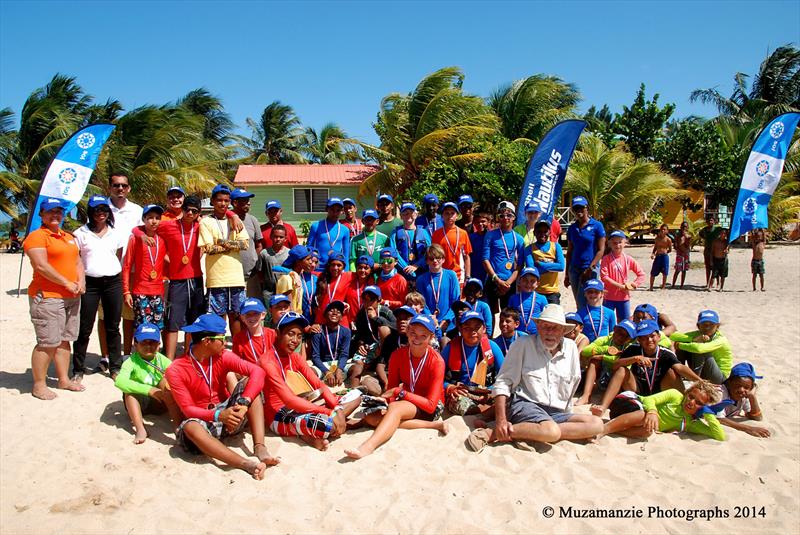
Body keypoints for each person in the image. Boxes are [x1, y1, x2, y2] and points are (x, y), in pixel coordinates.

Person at [467, 304, 603, 452]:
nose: (549, 332)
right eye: (545, 326)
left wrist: (568, 416)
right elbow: (503, 382)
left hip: (557, 412)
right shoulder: (523, 344)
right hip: (525, 405)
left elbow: (573, 382)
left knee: (597, 424)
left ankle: (533, 432)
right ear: (538, 327)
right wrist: (501, 421)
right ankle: (493, 434)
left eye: (555, 327)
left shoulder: (570, 348)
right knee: (552, 431)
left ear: (563, 331)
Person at [167, 314, 279, 479]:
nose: (226, 342)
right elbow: (188, 409)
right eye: (221, 338)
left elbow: (258, 372)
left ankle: (259, 446)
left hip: (230, 417)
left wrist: (243, 403)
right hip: (204, 421)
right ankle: (245, 463)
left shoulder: (223, 356)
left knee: (251, 387)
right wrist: (219, 415)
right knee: (190, 427)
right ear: (207, 341)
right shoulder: (176, 369)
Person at [345, 314, 449, 459]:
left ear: (431, 338)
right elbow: (391, 390)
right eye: (413, 333)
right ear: (407, 332)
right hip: (407, 399)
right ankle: (433, 425)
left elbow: (431, 405)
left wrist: (400, 394)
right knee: (372, 418)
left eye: (423, 336)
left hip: (430, 404)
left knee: (395, 409)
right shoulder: (397, 355)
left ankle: (368, 446)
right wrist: (384, 401)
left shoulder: (437, 361)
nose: (416, 339)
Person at [260, 313, 361, 451]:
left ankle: (311, 432)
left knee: (355, 395)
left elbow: (318, 384)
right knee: (326, 424)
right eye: (291, 334)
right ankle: (320, 430)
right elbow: (289, 400)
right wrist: (329, 412)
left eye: (299, 336)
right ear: (278, 333)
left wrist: (337, 409)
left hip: (302, 403)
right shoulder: (268, 361)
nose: (295, 340)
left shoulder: (294, 357)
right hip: (278, 414)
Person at [24, 197, 85, 399]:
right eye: (50, 211)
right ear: (41, 214)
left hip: (72, 297)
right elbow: (41, 265)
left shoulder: (68, 237)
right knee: (48, 341)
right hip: (48, 297)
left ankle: (63, 380)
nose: (55, 215)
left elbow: (78, 262)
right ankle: (39, 385)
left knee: (65, 340)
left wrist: (80, 281)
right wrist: (65, 282)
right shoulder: (37, 236)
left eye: (59, 212)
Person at [134, 195, 205, 360]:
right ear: (183, 209)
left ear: (198, 213)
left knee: (193, 321)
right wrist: (141, 236)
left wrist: (233, 215)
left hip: (196, 279)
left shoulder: (201, 227)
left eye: (194, 211)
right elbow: (138, 228)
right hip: (177, 280)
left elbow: (221, 218)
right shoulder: (169, 225)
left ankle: (188, 357)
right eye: (187, 209)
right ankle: (169, 360)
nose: (190, 213)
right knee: (173, 322)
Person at [591, 319, 702, 417]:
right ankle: (603, 407)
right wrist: (635, 359)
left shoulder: (665, 353)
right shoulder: (633, 349)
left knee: (672, 371)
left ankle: (686, 407)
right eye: (644, 338)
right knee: (621, 370)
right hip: (637, 388)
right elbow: (615, 365)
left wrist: (699, 380)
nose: (649, 340)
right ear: (638, 340)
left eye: (652, 336)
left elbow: (681, 367)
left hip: (659, 390)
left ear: (658, 337)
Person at [72, 195, 125, 381]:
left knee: (113, 326)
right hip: (90, 284)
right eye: (96, 209)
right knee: (84, 328)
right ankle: (78, 370)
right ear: (90, 212)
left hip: (113, 282)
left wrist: (108, 270)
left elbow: (118, 255)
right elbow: (76, 260)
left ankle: (115, 367)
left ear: (108, 211)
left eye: (103, 209)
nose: (100, 213)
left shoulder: (115, 233)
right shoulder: (80, 233)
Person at [114, 323, 181, 444]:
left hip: (160, 402)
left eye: (153, 342)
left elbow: (177, 375)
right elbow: (119, 381)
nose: (148, 346)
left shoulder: (162, 360)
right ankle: (140, 428)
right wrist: (149, 390)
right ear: (135, 344)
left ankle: (177, 425)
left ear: (159, 345)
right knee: (129, 392)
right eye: (144, 342)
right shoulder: (131, 362)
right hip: (139, 403)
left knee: (165, 381)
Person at [199, 184, 250, 336]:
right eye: (219, 200)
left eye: (226, 200)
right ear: (212, 201)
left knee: (237, 316)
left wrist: (221, 242)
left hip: (235, 278)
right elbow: (208, 248)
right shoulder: (206, 222)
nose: (223, 204)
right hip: (216, 279)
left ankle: (238, 350)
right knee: (218, 317)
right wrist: (231, 246)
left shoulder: (235, 220)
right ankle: (219, 350)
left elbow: (245, 244)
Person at [601, 380, 726, 441]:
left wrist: (707, 413)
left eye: (699, 403)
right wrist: (652, 412)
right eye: (691, 397)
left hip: (630, 420)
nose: (691, 402)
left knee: (647, 431)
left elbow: (719, 436)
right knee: (643, 416)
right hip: (629, 401)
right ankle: (602, 430)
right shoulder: (675, 395)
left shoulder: (689, 422)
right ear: (687, 393)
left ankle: (614, 429)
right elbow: (649, 400)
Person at [107, 173, 143, 356]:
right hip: (106, 270)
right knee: (105, 317)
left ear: (128, 188)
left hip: (132, 270)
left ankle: (127, 353)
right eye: (116, 185)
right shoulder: (100, 208)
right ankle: (106, 356)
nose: (120, 188)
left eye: (123, 185)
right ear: (110, 187)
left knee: (129, 315)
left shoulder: (137, 210)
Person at [442, 311, 504, 415]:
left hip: (486, 391)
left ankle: (487, 410)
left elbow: (506, 375)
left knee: (508, 399)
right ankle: (485, 411)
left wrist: (492, 391)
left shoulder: (492, 347)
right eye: (467, 328)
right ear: (461, 330)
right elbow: (436, 377)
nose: (473, 331)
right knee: (461, 404)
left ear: (484, 329)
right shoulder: (450, 348)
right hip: (462, 393)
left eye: (477, 327)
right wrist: (449, 387)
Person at [123, 204, 167, 331]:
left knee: (157, 328)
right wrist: (126, 291)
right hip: (140, 291)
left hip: (158, 291)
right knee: (142, 328)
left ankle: (155, 351)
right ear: (143, 219)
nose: (154, 221)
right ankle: (139, 351)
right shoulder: (135, 239)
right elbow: (127, 265)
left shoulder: (162, 239)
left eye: (157, 218)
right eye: (150, 218)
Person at [576, 319, 637, 406]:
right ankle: (586, 396)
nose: (621, 337)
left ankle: (607, 399)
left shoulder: (630, 347)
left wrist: (603, 357)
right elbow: (585, 351)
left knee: (621, 369)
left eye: (626, 336)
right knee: (594, 361)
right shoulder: (605, 340)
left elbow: (625, 363)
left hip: (617, 377)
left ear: (630, 339)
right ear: (615, 329)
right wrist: (606, 349)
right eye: (619, 332)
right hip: (603, 373)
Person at [348, 285, 395, 392]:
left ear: (379, 300)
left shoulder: (385, 311)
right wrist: (360, 344)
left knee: (384, 329)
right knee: (358, 363)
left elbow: (396, 326)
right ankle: (353, 391)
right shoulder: (361, 314)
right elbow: (359, 334)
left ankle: (384, 361)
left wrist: (376, 318)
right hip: (371, 347)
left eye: (372, 299)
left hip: (387, 347)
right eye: (365, 299)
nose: (368, 303)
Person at [482, 201, 524, 315]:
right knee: (490, 315)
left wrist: (508, 283)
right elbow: (485, 259)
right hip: (493, 280)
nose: (505, 218)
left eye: (509, 215)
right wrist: (497, 279)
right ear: (498, 218)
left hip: (509, 283)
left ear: (514, 217)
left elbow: (520, 265)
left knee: (508, 315)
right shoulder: (490, 235)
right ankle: (490, 333)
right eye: (502, 215)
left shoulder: (519, 239)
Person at [564, 196, 606, 309]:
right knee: (579, 301)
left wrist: (589, 268)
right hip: (574, 269)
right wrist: (567, 274)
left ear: (586, 208)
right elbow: (570, 252)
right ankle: (582, 323)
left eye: (581, 208)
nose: (579, 211)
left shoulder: (597, 226)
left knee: (589, 300)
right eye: (576, 208)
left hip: (590, 269)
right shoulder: (572, 228)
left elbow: (601, 250)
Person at [670, 309, 732, 384]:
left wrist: (679, 345)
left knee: (700, 349)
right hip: (705, 371)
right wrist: (693, 339)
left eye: (711, 325)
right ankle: (680, 374)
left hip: (720, 377)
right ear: (698, 326)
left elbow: (700, 349)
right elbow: (673, 336)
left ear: (717, 326)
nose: (707, 327)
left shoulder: (721, 339)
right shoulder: (698, 334)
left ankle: (695, 381)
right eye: (704, 324)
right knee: (687, 344)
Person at [415, 244, 461, 338]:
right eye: (431, 259)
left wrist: (446, 320)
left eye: (438, 258)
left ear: (443, 259)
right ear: (427, 261)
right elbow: (421, 303)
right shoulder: (421, 279)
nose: (435, 261)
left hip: (449, 324)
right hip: (428, 324)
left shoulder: (451, 275)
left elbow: (456, 301)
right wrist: (431, 320)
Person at [599, 230, 644, 322]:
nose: (617, 245)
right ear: (610, 244)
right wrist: (621, 286)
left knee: (624, 322)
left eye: (620, 242)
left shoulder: (628, 259)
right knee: (606, 321)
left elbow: (641, 274)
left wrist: (634, 284)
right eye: (614, 243)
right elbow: (604, 277)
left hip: (623, 297)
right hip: (609, 296)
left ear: (625, 243)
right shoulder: (606, 259)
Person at [716, 362, 770, 438]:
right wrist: (748, 429)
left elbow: (757, 417)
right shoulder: (720, 393)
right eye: (737, 385)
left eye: (746, 387)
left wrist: (752, 397)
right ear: (729, 383)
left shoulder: (744, 396)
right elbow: (719, 419)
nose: (741, 390)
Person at [230, 188, 265, 299]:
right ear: (235, 202)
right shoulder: (227, 220)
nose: (248, 203)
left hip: (251, 275)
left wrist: (256, 262)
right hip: (232, 273)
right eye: (244, 200)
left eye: (248, 200)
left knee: (252, 306)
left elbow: (259, 245)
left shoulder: (253, 220)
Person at [310, 301, 352, 387]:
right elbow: (315, 356)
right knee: (310, 372)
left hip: (339, 364)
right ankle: (319, 393)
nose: (335, 312)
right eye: (331, 310)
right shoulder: (318, 331)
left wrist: (339, 369)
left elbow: (344, 354)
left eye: (339, 311)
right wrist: (327, 372)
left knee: (357, 368)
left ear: (341, 318)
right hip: (323, 364)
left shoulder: (346, 331)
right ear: (325, 315)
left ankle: (354, 392)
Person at [524, 219, 565, 305]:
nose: (542, 234)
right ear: (534, 233)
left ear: (549, 232)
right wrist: (553, 266)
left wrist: (541, 265)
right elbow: (532, 271)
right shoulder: (529, 249)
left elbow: (561, 267)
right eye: (539, 231)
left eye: (545, 231)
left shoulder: (556, 247)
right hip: (536, 291)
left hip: (552, 292)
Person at [432, 201, 472, 287]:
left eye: (452, 213)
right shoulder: (436, 234)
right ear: (442, 216)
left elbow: (466, 256)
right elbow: (433, 256)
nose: (449, 216)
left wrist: (467, 276)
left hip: (459, 276)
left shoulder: (463, 233)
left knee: (458, 300)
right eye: (446, 213)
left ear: (457, 216)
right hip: (441, 275)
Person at [390, 202, 431, 283]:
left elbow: (430, 252)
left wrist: (417, 265)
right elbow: (393, 252)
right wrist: (406, 268)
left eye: (411, 213)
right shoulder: (395, 233)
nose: (408, 215)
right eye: (405, 213)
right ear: (401, 216)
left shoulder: (424, 232)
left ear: (416, 215)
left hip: (421, 272)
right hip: (402, 273)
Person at [307, 197, 351, 271]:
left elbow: (346, 254)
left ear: (342, 211)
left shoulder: (345, 230)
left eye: (338, 210)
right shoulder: (316, 226)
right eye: (332, 210)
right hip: (318, 269)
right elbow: (308, 248)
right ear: (326, 209)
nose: (335, 213)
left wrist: (345, 271)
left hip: (335, 269)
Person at [276, 245, 317, 322]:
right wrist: (295, 321)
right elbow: (288, 306)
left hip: (298, 317)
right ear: (298, 261)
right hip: (290, 320)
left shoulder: (298, 277)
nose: (311, 262)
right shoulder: (287, 278)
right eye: (308, 259)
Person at [314, 251, 353, 327]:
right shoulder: (321, 276)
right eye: (333, 265)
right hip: (322, 318)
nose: (335, 268)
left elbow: (364, 271)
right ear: (329, 265)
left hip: (339, 318)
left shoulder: (348, 276)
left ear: (343, 267)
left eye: (339, 265)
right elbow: (304, 270)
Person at [231, 298, 275, 364]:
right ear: (242, 317)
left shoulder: (273, 334)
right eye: (248, 314)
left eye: (256, 313)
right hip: (250, 373)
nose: (252, 317)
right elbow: (237, 363)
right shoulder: (238, 338)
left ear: (263, 315)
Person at [507, 267, 548, 335]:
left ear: (537, 284)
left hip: (536, 335)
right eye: (525, 280)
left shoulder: (542, 299)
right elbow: (509, 316)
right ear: (519, 282)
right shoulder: (513, 298)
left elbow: (546, 317)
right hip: (518, 335)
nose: (528, 284)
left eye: (532, 281)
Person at [258, 224, 290, 307]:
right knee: (269, 315)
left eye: (281, 237)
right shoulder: (264, 253)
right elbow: (260, 272)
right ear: (271, 237)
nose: (278, 239)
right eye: (275, 236)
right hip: (268, 292)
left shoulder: (289, 254)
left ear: (285, 239)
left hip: (285, 291)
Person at [467, 208, 491, 285]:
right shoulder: (470, 237)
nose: (480, 224)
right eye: (477, 222)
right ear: (474, 223)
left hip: (488, 273)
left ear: (488, 222)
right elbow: (468, 256)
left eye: (483, 221)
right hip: (474, 272)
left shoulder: (492, 237)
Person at [699, 214, 721, 288]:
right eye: (708, 220)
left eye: (711, 220)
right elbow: (700, 234)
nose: (710, 222)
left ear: (714, 221)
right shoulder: (704, 230)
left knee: (716, 267)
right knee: (708, 267)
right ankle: (707, 282)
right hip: (707, 250)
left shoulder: (717, 229)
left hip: (716, 250)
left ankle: (718, 282)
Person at [649, 224, 673, 291]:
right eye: (662, 229)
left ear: (667, 231)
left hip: (664, 257)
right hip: (658, 256)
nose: (662, 231)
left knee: (665, 272)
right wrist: (653, 254)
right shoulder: (657, 239)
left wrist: (665, 252)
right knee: (653, 272)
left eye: (664, 229)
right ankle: (651, 287)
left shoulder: (668, 240)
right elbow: (655, 248)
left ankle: (663, 286)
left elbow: (670, 249)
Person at [671, 221, 691, 289]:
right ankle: (673, 284)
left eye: (685, 227)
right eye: (683, 226)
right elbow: (675, 245)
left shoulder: (688, 236)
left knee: (684, 270)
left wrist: (686, 238)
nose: (684, 228)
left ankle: (682, 285)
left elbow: (688, 246)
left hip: (685, 254)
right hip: (679, 254)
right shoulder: (678, 236)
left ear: (687, 228)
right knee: (677, 270)